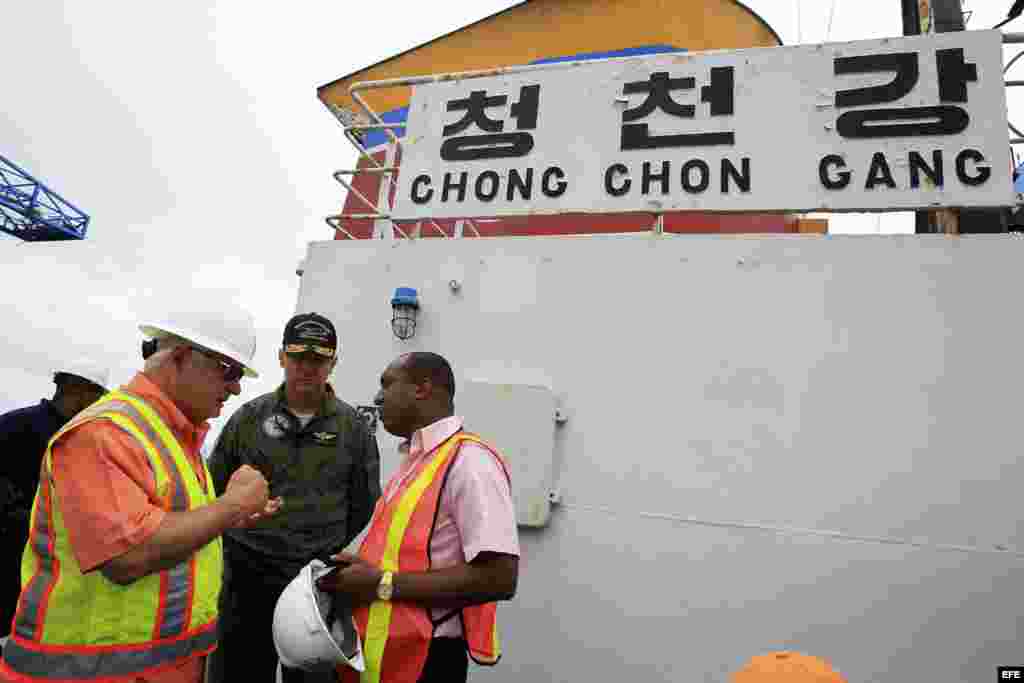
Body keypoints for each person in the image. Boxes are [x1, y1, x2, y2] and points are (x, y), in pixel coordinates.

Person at [0, 306, 281, 683]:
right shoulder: (105, 433)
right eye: (228, 370)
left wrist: (228, 513)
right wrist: (231, 507)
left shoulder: (174, 435)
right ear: (181, 358)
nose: (235, 387)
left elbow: (172, 525)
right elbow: (127, 556)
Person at [318, 352, 519, 683]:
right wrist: (363, 568)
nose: (377, 397)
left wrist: (380, 584)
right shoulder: (416, 462)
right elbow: (409, 557)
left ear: (423, 388)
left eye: (387, 384)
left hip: (427, 663)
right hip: (386, 662)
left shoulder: (470, 462)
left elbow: (499, 577)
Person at [207, 312, 381, 683]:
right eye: (299, 357)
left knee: (312, 676)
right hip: (246, 575)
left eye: (318, 359)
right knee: (237, 669)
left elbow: (365, 505)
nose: (307, 368)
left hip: (314, 583)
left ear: (333, 363)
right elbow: (211, 487)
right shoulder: (248, 419)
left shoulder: (354, 430)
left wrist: (321, 546)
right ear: (282, 357)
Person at [0, 359, 110, 645]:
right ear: (76, 389)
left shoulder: (86, 439)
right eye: (97, 394)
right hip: (12, 555)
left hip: (52, 566)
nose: (99, 403)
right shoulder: (13, 426)